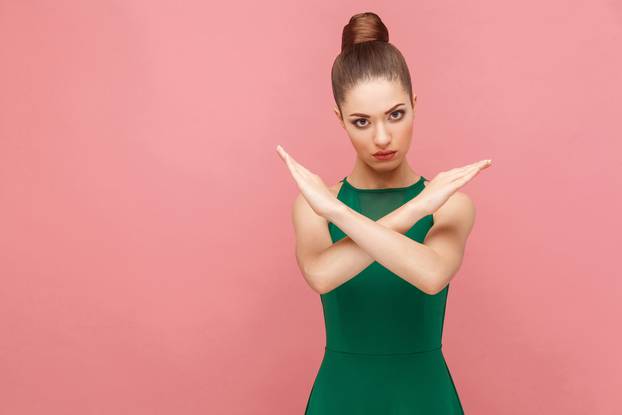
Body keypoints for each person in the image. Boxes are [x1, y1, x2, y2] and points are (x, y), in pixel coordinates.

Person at [276, 11, 491, 414]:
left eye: (395, 115)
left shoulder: (451, 204)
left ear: (414, 104)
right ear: (340, 120)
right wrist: (414, 209)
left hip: (424, 398)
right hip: (341, 398)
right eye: (361, 122)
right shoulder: (316, 206)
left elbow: (430, 275)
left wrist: (340, 212)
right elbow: (322, 276)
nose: (382, 137)